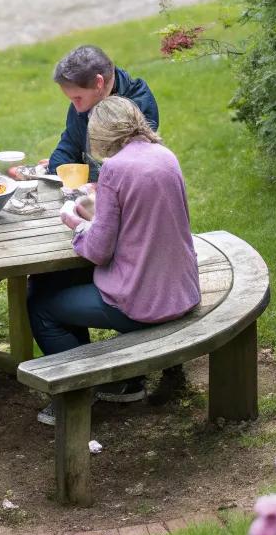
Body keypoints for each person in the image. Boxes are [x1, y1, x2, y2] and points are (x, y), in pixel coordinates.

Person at [27, 96, 200, 425]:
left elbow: (97, 251)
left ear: (101, 133)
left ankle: (76, 393)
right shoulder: (165, 156)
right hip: (181, 290)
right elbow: (143, 219)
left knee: (41, 302)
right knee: (65, 285)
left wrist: (76, 224)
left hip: (145, 304)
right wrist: (98, 213)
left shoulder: (114, 169)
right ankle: (123, 384)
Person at [46, 44, 158, 180]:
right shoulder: (85, 101)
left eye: (78, 98)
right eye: (72, 100)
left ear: (99, 83)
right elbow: (71, 143)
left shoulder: (137, 106)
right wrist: (56, 170)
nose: (77, 108)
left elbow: (129, 168)